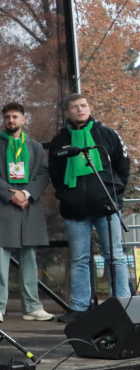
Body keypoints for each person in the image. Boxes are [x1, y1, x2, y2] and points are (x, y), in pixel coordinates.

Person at [48, 93, 131, 322]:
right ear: (68, 111)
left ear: (89, 108)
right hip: (75, 211)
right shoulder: (60, 139)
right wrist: (65, 195)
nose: (80, 109)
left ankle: (122, 303)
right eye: (75, 107)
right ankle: (79, 307)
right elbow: (54, 171)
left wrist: (116, 192)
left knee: (115, 256)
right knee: (79, 258)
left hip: (106, 207)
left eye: (83, 105)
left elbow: (123, 165)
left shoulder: (107, 134)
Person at [0, 103, 53, 322]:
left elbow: (43, 174)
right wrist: (10, 195)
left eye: (15, 116)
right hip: (4, 205)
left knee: (30, 257)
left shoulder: (35, 147)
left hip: (29, 206)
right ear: (3, 120)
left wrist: (27, 194)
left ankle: (32, 307)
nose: (11, 120)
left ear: (23, 119)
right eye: (7, 117)